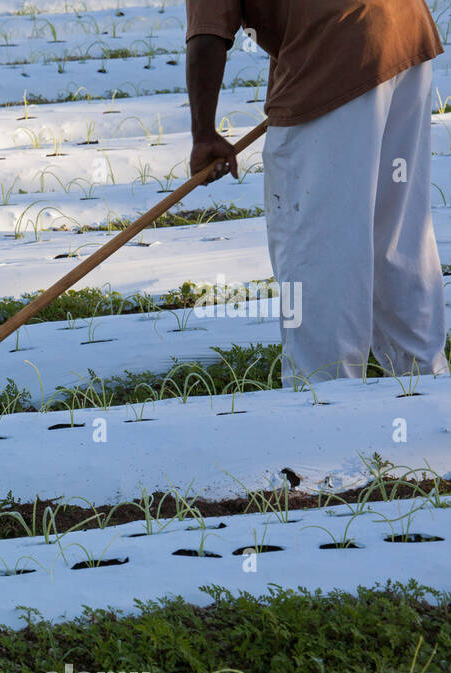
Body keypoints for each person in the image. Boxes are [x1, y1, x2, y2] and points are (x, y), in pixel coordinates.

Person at [185, 1, 449, 386]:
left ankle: (325, 406)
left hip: (338, 46)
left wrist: (204, 135)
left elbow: (208, 34)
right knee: (394, 235)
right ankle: (424, 390)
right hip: (403, 27)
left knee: (318, 254)